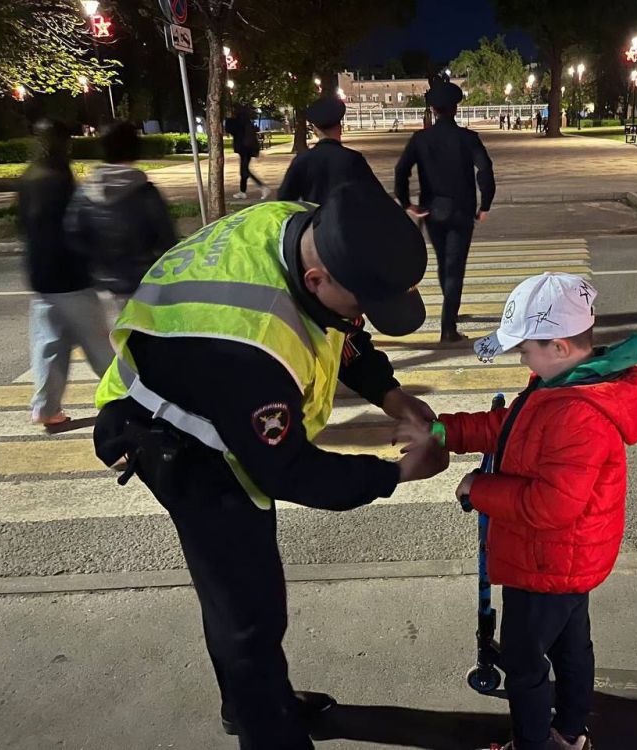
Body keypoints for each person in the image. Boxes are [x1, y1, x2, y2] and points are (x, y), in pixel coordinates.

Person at [91, 181, 449, 750]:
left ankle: (250, 700)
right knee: (248, 612)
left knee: (232, 595)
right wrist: (397, 474)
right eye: (363, 305)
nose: (365, 320)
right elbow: (289, 472)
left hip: (204, 396)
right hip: (180, 442)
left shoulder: (303, 226)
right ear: (317, 279)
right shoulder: (249, 348)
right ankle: (267, 727)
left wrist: (391, 395)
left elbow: (340, 330)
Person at [397, 273, 637, 750]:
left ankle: (534, 743)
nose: (520, 357)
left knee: (523, 662)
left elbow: (552, 504)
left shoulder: (577, 411)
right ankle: (571, 733)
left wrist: (479, 488)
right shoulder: (558, 384)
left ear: (558, 346)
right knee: (570, 645)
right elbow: (507, 427)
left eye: (524, 348)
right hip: (565, 560)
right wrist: (441, 433)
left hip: (546, 562)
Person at [16, 119, 114, 429]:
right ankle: (125, 403)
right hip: (71, 278)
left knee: (49, 346)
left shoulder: (30, 176)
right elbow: (75, 227)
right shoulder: (59, 178)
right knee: (101, 347)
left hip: (41, 278)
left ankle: (45, 408)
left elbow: (22, 227)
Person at [394, 80, 495, 344]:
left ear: (434, 110)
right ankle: (448, 327)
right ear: (455, 109)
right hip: (461, 212)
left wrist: (406, 203)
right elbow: (484, 170)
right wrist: (485, 204)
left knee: (444, 263)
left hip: (432, 212)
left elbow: (401, 170)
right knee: (455, 267)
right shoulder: (468, 138)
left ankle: (451, 310)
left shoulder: (420, 139)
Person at [64, 120, 178, 314]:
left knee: (114, 341)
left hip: (105, 290)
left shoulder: (85, 194)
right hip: (145, 287)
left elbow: (74, 235)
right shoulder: (145, 193)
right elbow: (167, 241)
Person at [277, 96, 382, 205]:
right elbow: (375, 195)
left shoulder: (302, 160)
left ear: (315, 130)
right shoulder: (353, 159)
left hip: (315, 219)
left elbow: (284, 199)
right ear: (340, 128)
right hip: (347, 219)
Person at [226, 105, 269, 200]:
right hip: (247, 149)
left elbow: (229, 129)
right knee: (243, 171)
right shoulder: (246, 120)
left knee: (245, 171)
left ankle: (262, 187)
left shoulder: (238, 121)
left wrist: (228, 118)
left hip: (244, 149)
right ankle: (242, 191)